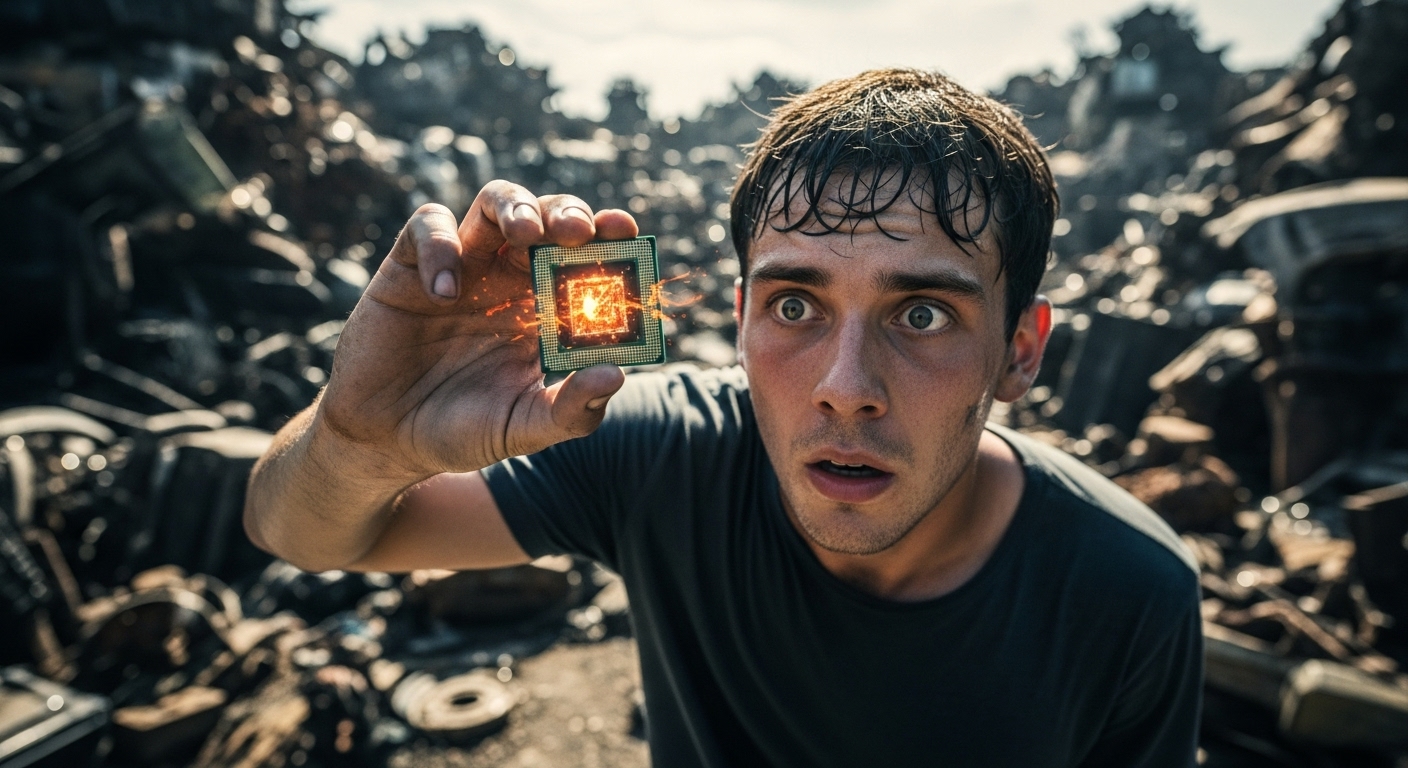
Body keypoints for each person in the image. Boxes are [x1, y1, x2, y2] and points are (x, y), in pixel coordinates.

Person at [245, 68, 1202, 766]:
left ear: (1021, 351)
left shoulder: (1129, 592)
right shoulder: (659, 452)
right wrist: (363, 436)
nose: (844, 385)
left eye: (923, 313)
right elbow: (300, 532)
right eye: (796, 305)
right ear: (739, 319)